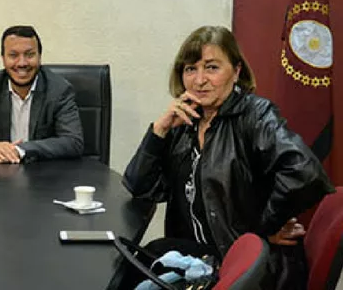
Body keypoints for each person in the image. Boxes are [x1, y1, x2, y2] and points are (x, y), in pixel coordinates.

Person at [122, 25, 333, 288]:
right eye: (190, 69)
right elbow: (141, 188)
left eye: (211, 67)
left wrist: (262, 230)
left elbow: (305, 172)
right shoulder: (184, 123)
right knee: (126, 269)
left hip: (250, 268)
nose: (199, 80)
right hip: (200, 260)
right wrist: (159, 130)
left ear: (236, 71)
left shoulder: (255, 115)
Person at [0, 25, 84, 163]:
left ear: (39, 57)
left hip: (43, 171)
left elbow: (73, 142)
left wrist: (19, 150)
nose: (22, 63)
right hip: (0, 171)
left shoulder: (59, 89)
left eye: (30, 54)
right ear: (3, 58)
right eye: (13, 55)